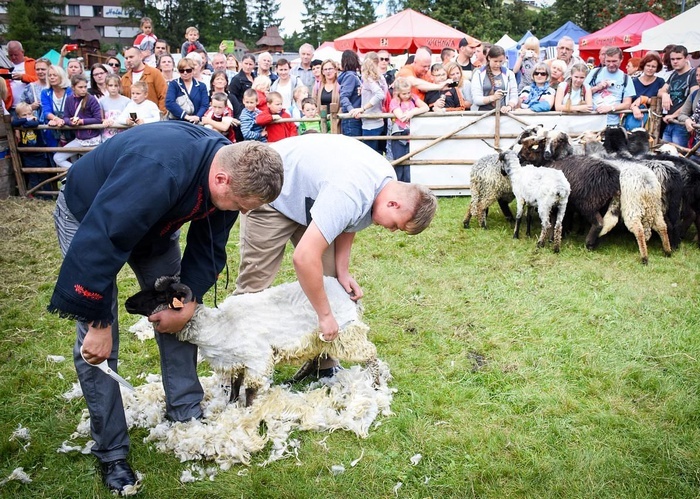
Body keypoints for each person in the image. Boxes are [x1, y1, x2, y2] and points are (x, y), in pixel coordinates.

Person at [48, 120, 283, 494]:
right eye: (240, 205)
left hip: (155, 223)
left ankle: (185, 410)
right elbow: (106, 236)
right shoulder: (159, 166)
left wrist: (187, 300)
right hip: (92, 219)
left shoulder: (228, 166)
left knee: (174, 310)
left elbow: (209, 243)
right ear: (221, 181)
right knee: (98, 342)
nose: (240, 212)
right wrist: (97, 320)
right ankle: (112, 450)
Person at [234, 133, 437, 376]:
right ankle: (238, 365)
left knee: (330, 284)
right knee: (254, 284)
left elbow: (349, 221)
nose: (392, 231)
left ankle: (322, 363)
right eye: (397, 225)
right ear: (394, 204)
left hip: (313, 199)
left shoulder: (387, 183)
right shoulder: (350, 192)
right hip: (273, 194)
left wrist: (342, 271)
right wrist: (326, 315)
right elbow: (303, 258)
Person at [52, 75, 103, 169]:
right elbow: (66, 116)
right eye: (80, 87)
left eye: (85, 87)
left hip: (93, 140)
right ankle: (77, 172)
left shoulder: (91, 99)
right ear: (73, 88)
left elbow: (98, 119)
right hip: (79, 139)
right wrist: (70, 122)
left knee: (96, 165)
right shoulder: (69, 99)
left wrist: (82, 121)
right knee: (58, 157)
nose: (83, 89)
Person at [389, 77, 429, 181]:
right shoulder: (394, 102)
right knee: (400, 161)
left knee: (411, 161)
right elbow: (401, 116)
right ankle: (399, 184)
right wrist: (413, 111)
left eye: (408, 92)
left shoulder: (414, 98)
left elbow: (426, 107)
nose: (407, 95)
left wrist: (413, 112)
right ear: (398, 93)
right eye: (404, 93)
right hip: (400, 134)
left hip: (412, 133)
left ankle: (410, 183)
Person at [658, 45, 698, 146]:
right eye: (673, 59)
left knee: (679, 155)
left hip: (682, 123)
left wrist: (674, 115)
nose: (675, 61)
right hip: (669, 121)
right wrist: (665, 95)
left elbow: (693, 100)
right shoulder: (674, 74)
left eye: (678, 58)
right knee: (665, 152)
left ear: (686, 58)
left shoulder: (693, 74)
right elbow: (660, 91)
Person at [585, 46, 635, 125]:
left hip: (612, 122)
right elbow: (582, 92)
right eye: (608, 61)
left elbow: (627, 104)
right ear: (604, 60)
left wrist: (610, 108)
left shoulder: (626, 78)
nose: (611, 64)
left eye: (614, 61)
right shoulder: (595, 72)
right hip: (591, 120)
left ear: (621, 60)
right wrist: (597, 87)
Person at [12, 101, 51, 195]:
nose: (27, 116)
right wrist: (26, 120)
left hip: (39, 153)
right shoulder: (23, 121)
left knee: (44, 175)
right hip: (27, 154)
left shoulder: (35, 120)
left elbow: (33, 124)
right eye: (24, 115)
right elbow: (14, 123)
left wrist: (25, 121)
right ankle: (36, 194)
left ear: (33, 113)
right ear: (18, 116)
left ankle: (48, 195)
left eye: (29, 114)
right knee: (32, 175)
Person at [623, 53, 665, 131]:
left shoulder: (660, 82)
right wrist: (634, 107)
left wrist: (644, 99)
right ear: (643, 66)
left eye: (653, 66)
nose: (650, 68)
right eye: (648, 65)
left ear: (657, 68)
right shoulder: (633, 81)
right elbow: (627, 101)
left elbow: (659, 102)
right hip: (633, 118)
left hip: (652, 122)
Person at [121, 46, 167, 114]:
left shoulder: (154, 73)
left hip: (151, 119)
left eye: (131, 57)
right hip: (131, 120)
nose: (128, 60)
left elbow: (164, 95)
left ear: (140, 56)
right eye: (126, 58)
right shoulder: (124, 78)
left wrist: (160, 115)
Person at [472, 45, 518, 113]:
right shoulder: (478, 73)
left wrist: (509, 106)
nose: (498, 64)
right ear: (489, 58)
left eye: (501, 61)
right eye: (495, 61)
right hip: (482, 113)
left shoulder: (509, 74)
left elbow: (514, 95)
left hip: (503, 113)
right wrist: (493, 98)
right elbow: (476, 99)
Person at [166, 57, 209, 123]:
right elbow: (169, 103)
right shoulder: (173, 84)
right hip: (177, 122)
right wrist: (185, 116)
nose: (185, 73)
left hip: (196, 123)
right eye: (181, 70)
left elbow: (204, 105)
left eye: (188, 70)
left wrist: (197, 117)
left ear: (193, 70)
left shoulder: (201, 86)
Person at [40, 65, 73, 150]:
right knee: (57, 155)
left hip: (70, 126)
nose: (52, 77)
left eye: (55, 75)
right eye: (50, 75)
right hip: (54, 129)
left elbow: (73, 109)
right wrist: (55, 119)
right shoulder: (45, 92)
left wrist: (63, 120)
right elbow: (46, 111)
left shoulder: (70, 90)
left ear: (61, 76)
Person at [358, 55, 387, 150]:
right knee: (378, 153)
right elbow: (384, 94)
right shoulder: (380, 78)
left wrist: (363, 108)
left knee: (370, 154)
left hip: (370, 123)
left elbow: (380, 94)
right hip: (378, 120)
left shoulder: (367, 79)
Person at [5, 40, 39, 113]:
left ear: (22, 52)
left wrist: (23, 77)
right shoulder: (5, 67)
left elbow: (40, 81)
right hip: (11, 107)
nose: (13, 57)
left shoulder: (33, 63)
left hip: (30, 107)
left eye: (16, 54)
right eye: (11, 55)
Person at [337, 50, 363, 138]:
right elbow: (343, 96)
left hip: (353, 117)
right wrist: (351, 110)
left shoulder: (352, 76)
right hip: (351, 117)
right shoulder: (350, 76)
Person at [100, 74, 131, 141]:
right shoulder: (102, 101)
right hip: (107, 135)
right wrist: (105, 121)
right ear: (106, 86)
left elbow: (129, 117)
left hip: (123, 135)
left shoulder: (127, 101)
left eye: (116, 85)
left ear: (119, 86)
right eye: (110, 85)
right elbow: (100, 118)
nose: (113, 88)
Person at [315, 59, 340, 127]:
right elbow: (314, 102)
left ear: (335, 70)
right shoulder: (318, 85)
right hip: (322, 120)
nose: (328, 71)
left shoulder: (340, 85)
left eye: (330, 69)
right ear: (322, 72)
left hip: (337, 120)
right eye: (325, 69)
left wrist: (336, 120)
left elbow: (342, 104)